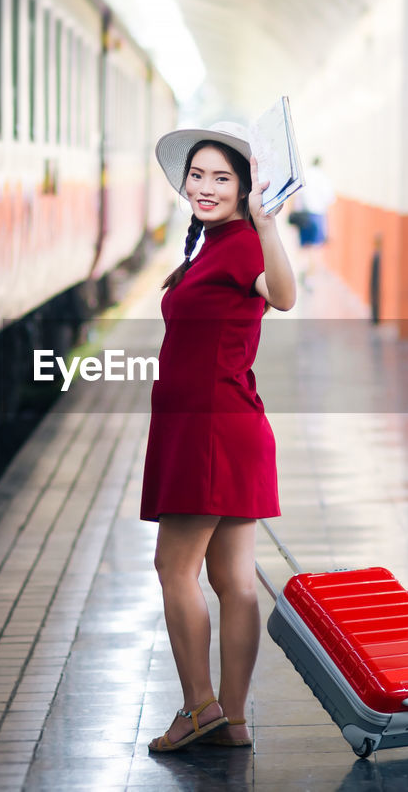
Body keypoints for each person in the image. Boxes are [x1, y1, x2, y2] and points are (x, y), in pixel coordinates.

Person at [141, 121, 296, 753]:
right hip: (223, 425)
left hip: (208, 429)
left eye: (221, 178)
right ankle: (231, 721)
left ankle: (198, 707)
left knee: (173, 568)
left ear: (245, 188)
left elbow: (283, 297)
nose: (205, 187)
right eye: (197, 175)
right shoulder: (208, 244)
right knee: (233, 578)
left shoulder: (242, 243)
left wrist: (267, 223)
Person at [289, 156, 335, 288]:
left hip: (305, 214)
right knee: (315, 248)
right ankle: (310, 277)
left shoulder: (307, 175)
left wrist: (293, 211)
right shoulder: (324, 178)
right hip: (318, 215)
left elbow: (297, 194)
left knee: (304, 245)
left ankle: (302, 268)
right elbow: (329, 200)